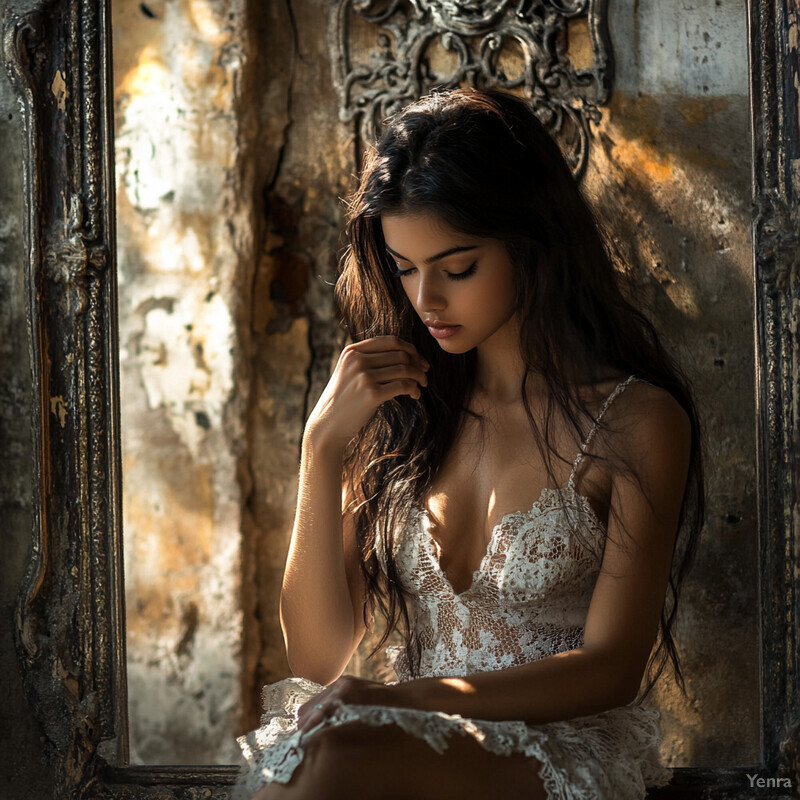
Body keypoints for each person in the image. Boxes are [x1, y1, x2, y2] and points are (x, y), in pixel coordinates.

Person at [233, 88, 703, 800]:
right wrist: (321, 447)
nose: (427, 301)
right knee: (309, 754)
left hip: (552, 750)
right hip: (403, 743)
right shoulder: (404, 411)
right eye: (405, 268)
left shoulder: (636, 422)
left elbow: (612, 667)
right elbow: (319, 654)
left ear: (530, 243)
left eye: (456, 269)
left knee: (329, 758)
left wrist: (406, 701)